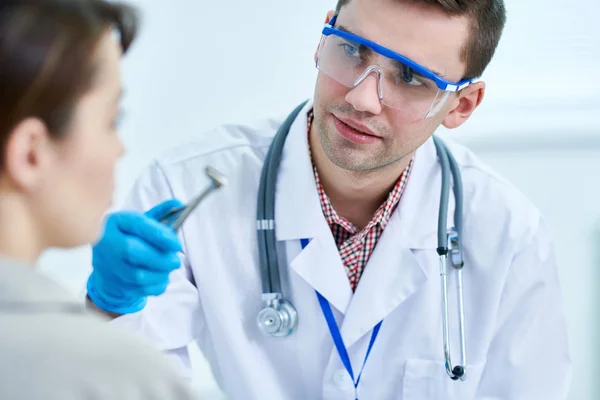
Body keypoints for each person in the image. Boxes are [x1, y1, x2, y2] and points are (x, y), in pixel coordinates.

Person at [85, 0, 572, 398]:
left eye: (410, 78)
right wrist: (107, 310)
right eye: (353, 52)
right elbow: (128, 387)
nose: (362, 98)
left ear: (460, 105)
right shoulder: (186, 190)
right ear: (323, 39)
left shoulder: (508, 233)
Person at [0, 1, 200, 399]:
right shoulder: (119, 380)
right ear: (31, 153)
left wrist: (103, 310)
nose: (120, 148)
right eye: (112, 120)